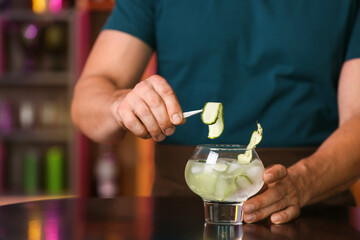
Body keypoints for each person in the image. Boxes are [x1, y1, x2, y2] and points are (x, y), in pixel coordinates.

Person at [71, 0, 360, 224]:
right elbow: (87, 100)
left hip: (317, 213)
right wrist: (118, 105)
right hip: (180, 214)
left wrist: (303, 182)